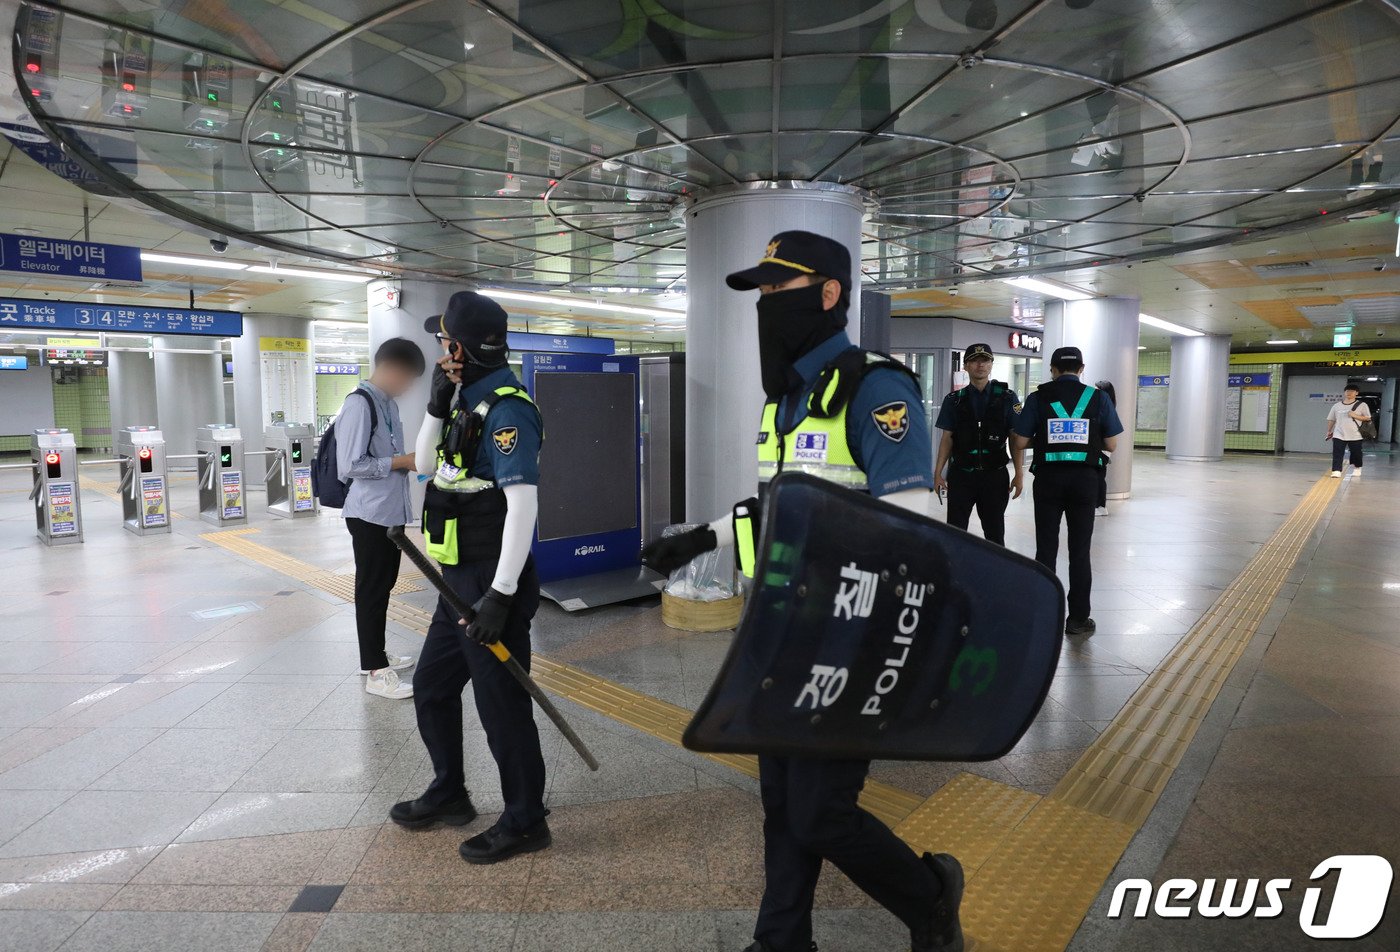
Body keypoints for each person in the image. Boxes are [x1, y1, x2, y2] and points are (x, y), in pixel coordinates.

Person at [641, 231, 966, 952]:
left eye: (777, 290)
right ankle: (781, 939)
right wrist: (705, 538)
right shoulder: (785, 403)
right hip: (778, 634)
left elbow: (916, 525)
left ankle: (931, 895)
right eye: (759, 292)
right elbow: (781, 510)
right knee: (780, 800)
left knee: (822, 811)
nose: (764, 304)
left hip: (847, 640)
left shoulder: (876, 388)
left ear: (829, 295)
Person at [389, 291, 552, 866]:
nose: (438, 348)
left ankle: (526, 820)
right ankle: (449, 790)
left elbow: (523, 508)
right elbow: (430, 466)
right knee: (432, 686)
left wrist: (500, 596)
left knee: (502, 706)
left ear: (458, 347)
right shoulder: (463, 400)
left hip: (489, 584)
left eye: (442, 341)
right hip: (454, 581)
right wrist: (436, 404)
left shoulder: (509, 410)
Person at [1010, 346, 1123, 637]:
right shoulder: (1097, 398)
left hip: (1048, 479)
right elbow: (1111, 444)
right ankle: (1078, 619)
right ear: (1082, 369)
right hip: (1085, 481)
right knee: (1079, 551)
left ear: (1053, 369)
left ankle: (1044, 611)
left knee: (1046, 548)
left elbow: (1020, 442)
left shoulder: (1038, 398)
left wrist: (1048, 438)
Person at [336, 337, 424, 700]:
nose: (408, 387)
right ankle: (375, 671)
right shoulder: (360, 404)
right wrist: (402, 461)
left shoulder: (387, 405)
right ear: (391, 369)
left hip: (389, 512)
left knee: (383, 586)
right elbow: (351, 465)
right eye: (408, 378)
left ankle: (373, 655)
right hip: (368, 514)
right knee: (371, 590)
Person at [933, 342, 1023, 545]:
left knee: (995, 534)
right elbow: (947, 438)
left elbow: (1015, 439)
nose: (980, 365)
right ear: (965, 366)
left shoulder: (1007, 398)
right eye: (974, 361)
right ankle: (955, 573)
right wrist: (938, 473)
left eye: (985, 360)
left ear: (991, 364)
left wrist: (1019, 474)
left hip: (995, 475)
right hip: (961, 475)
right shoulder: (954, 400)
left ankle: (995, 575)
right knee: (955, 533)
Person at [1326, 383, 1371, 478]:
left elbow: (1367, 418)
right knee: (1337, 452)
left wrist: (1355, 415)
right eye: (1347, 391)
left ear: (1356, 393)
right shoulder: (1336, 406)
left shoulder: (1362, 405)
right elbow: (1331, 419)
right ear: (1344, 392)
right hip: (1339, 433)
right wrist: (1329, 431)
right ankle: (1336, 470)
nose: (1349, 393)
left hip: (1356, 434)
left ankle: (1357, 468)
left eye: (1352, 391)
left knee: (1356, 453)